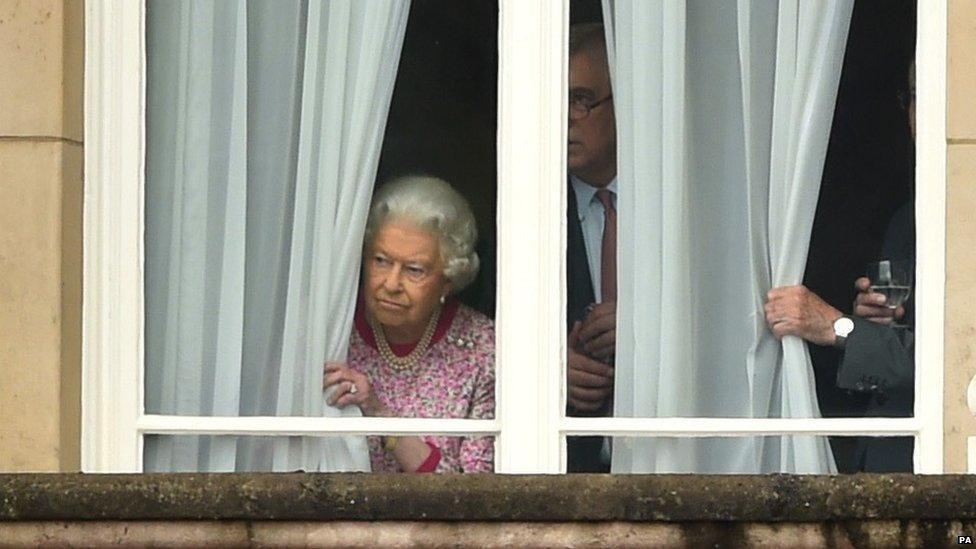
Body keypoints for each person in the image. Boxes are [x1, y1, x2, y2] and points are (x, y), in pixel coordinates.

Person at [764, 61, 916, 472]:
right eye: (913, 96)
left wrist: (839, 327)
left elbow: (955, 364)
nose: (917, 114)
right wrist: (874, 320)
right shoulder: (909, 216)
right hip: (888, 461)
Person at [324, 175, 495, 473]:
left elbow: (473, 493)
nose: (391, 284)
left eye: (413, 270)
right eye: (380, 260)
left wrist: (378, 413)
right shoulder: (332, 329)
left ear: (448, 280)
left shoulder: (481, 348)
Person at [566, 22, 618, 473]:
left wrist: (650, 337)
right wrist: (544, 369)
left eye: (581, 100)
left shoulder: (684, 214)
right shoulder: (523, 212)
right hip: (562, 467)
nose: (564, 116)